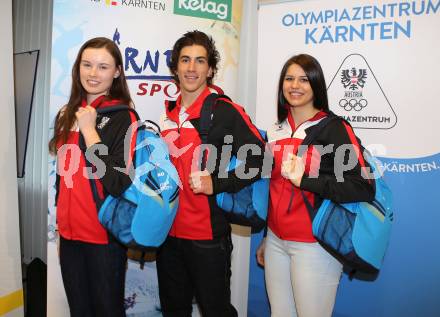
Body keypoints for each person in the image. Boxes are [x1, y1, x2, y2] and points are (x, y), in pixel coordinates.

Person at [256, 54, 375, 317]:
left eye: (303, 79)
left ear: (316, 85)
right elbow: (273, 188)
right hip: (276, 240)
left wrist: (306, 181)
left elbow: (363, 186)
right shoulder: (276, 129)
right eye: (289, 79)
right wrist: (267, 237)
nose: (294, 85)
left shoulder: (333, 128)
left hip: (314, 245)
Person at [156, 30, 266, 317]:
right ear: (175, 68)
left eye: (200, 61)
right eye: (185, 60)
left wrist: (216, 183)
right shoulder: (168, 114)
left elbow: (261, 160)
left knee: (215, 311)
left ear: (211, 69)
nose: (191, 68)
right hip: (167, 235)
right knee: (173, 311)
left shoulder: (225, 111)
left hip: (207, 239)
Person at [49, 37, 137, 317]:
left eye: (102, 67)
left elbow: (118, 182)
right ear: (77, 68)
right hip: (70, 236)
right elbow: (63, 177)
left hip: (104, 237)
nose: (93, 73)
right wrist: (62, 225)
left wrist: (90, 131)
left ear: (117, 72)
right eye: (87, 65)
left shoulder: (124, 117)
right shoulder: (65, 114)